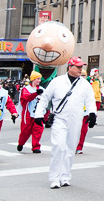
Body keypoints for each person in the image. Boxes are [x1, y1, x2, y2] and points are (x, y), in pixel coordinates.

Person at [34, 57, 97, 189]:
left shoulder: (85, 84)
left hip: (76, 119)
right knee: (58, 146)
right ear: (70, 67)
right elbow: (45, 98)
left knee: (70, 148)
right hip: (59, 118)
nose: (81, 69)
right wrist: (39, 115)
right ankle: (54, 178)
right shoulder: (57, 82)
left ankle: (65, 176)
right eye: (78, 67)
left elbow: (90, 100)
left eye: (81, 67)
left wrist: (92, 114)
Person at [17, 71, 45, 153]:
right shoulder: (26, 89)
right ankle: (21, 143)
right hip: (28, 114)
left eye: (40, 79)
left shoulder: (42, 89)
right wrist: (36, 94)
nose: (39, 80)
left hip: (38, 114)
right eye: (38, 79)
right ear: (33, 79)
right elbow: (27, 98)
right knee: (26, 131)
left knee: (38, 130)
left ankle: (36, 146)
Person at [76, 69, 92, 154]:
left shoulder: (88, 86)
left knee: (83, 130)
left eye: (83, 75)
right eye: (80, 75)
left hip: (85, 112)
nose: (82, 77)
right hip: (75, 111)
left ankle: (79, 147)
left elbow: (91, 100)